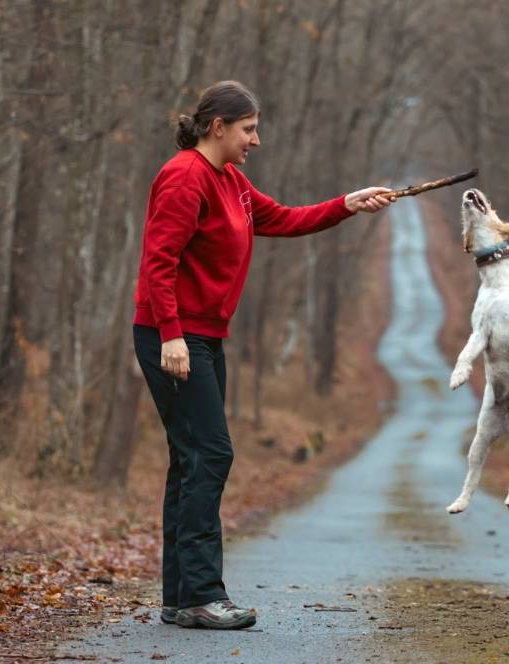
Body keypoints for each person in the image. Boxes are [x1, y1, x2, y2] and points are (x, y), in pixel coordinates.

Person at [132, 80, 392, 630]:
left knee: (191, 460)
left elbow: (285, 219)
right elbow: (158, 262)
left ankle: (180, 598)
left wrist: (348, 203)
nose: (257, 139)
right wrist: (173, 335)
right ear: (218, 126)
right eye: (249, 129)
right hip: (173, 335)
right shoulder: (183, 177)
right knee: (212, 454)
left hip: (199, 336)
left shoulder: (233, 183)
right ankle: (203, 593)